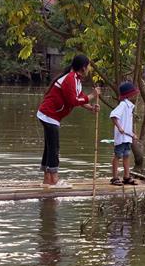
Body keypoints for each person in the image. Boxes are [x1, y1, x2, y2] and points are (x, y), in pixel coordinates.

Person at [37, 54, 100, 189]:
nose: (89, 68)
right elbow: (74, 100)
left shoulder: (76, 79)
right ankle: (54, 180)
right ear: (83, 68)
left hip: (50, 115)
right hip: (49, 115)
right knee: (54, 148)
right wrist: (92, 96)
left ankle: (47, 179)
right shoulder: (70, 78)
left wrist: (90, 107)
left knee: (50, 147)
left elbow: (78, 96)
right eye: (88, 66)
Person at [109, 81, 139, 186]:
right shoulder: (123, 105)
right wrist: (119, 127)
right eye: (133, 93)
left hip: (127, 137)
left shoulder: (129, 106)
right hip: (121, 137)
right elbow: (113, 115)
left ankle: (126, 177)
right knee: (118, 155)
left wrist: (132, 134)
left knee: (127, 155)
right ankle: (115, 178)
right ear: (128, 94)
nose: (135, 95)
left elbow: (127, 123)